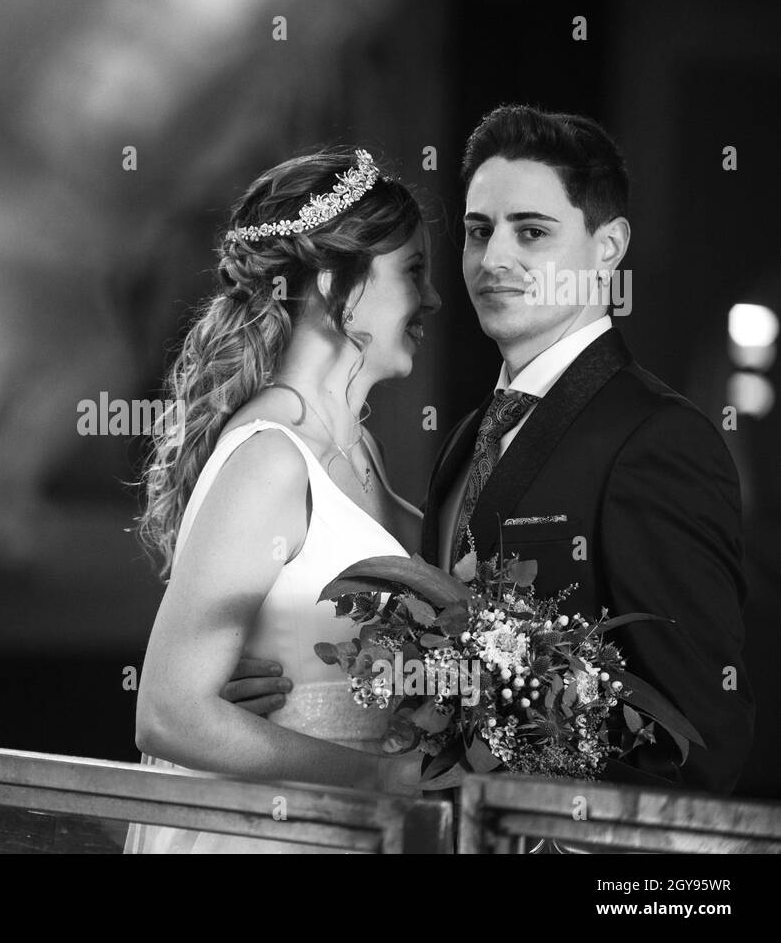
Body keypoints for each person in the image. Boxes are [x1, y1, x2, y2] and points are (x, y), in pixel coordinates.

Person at [229, 106, 755, 800]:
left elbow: (702, 747)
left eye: (531, 232)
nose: (494, 259)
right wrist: (285, 694)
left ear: (607, 247)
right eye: (479, 232)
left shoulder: (659, 441)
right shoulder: (468, 437)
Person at [125, 147, 442, 853]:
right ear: (338, 286)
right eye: (414, 273)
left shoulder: (358, 449)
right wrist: (388, 779)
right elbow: (168, 713)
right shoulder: (272, 459)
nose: (433, 300)